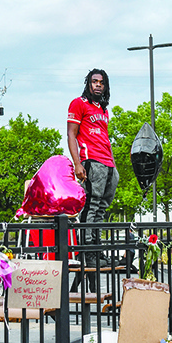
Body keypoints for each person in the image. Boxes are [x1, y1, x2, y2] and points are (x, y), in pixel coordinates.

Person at [67, 69, 119, 267]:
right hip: (92, 160)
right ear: (88, 84)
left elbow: (105, 138)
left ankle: (97, 251)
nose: (98, 85)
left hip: (108, 163)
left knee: (102, 209)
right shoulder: (79, 103)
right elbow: (71, 134)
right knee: (91, 206)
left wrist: (113, 166)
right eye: (94, 81)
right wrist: (77, 163)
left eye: (101, 82)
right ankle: (86, 252)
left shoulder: (103, 109)